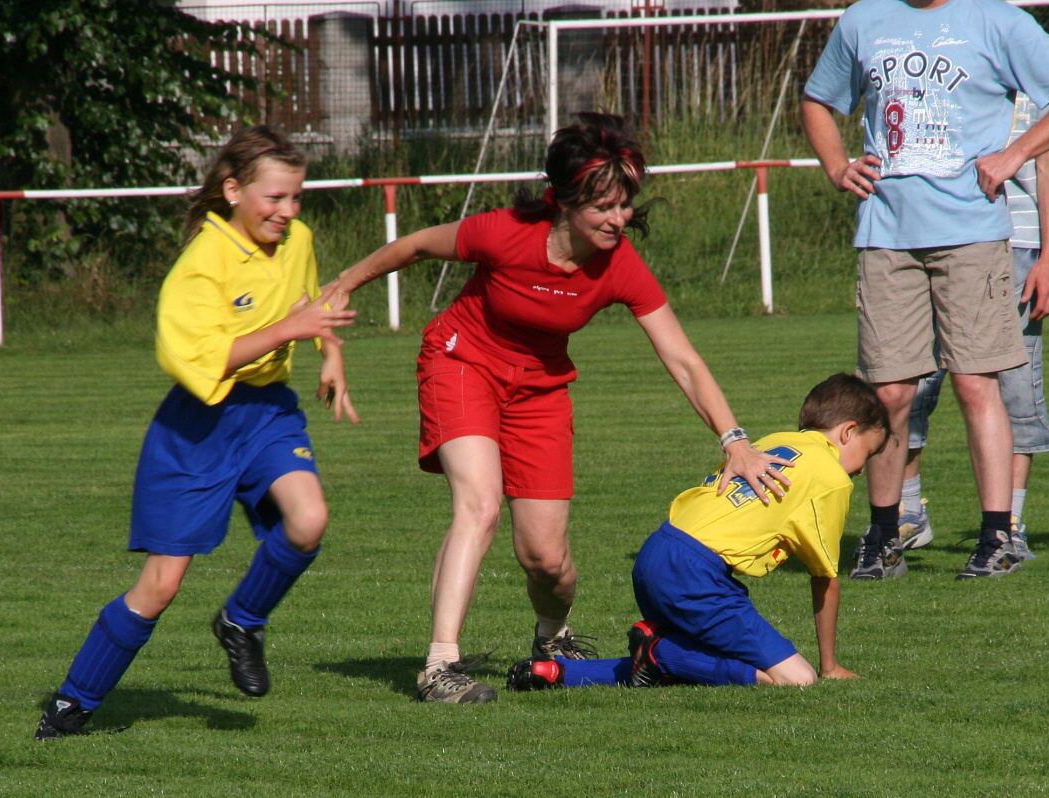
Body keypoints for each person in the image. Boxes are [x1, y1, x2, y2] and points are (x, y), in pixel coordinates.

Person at [326, 112, 792, 704]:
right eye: (603, 207)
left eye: (625, 205)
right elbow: (415, 246)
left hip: (540, 391)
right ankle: (440, 666)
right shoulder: (504, 233)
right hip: (461, 361)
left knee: (546, 559)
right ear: (565, 201)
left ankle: (553, 636)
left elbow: (683, 359)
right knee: (479, 504)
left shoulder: (619, 265)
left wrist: (736, 441)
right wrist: (344, 283)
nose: (618, 219)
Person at [34, 125, 358, 740]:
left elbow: (311, 305)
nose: (288, 211)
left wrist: (331, 353)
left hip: (267, 412)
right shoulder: (200, 267)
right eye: (275, 198)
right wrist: (291, 331)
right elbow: (206, 360)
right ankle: (74, 702)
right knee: (162, 585)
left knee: (309, 519)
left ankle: (242, 621)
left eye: (296, 197)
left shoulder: (298, 240)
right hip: (198, 427)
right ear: (233, 191)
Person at [800, 0, 1049, 580]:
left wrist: (1015, 154)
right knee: (889, 394)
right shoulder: (864, 19)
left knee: (974, 383)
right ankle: (884, 535)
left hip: (972, 236)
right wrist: (837, 165)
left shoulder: (996, 20)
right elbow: (817, 100)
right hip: (886, 238)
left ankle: (997, 536)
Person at [504, 373, 890, 691]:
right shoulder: (831, 477)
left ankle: (556, 673)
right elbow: (825, 579)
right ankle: (659, 651)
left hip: (656, 553)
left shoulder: (774, 441)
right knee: (797, 678)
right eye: (868, 454)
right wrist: (830, 665)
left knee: (694, 663)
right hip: (696, 574)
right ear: (847, 432)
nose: (861, 469)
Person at [898, 93, 1049, 565]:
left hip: (1016, 244)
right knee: (908, 381)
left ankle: (1009, 523)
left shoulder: (1034, 84)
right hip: (930, 237)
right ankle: (907, 511)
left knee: (1014, 386)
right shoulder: (932, 74)